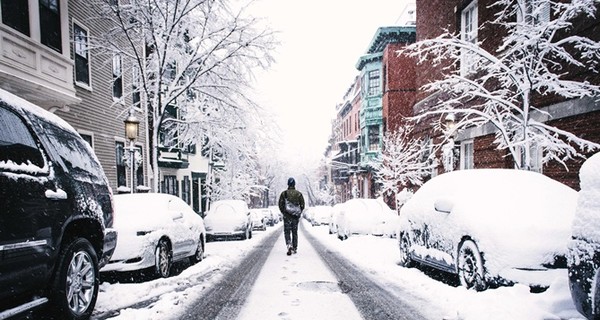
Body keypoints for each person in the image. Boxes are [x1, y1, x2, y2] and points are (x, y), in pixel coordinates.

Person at [278, 177, 305, 256]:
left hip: (287, 217)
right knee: (294, 232)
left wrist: (284, 212)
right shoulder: (298, 194)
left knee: (287, 232)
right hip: (295, 217)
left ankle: (289, 245)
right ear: (294, 184)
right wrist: (298, 213)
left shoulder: (284, 194)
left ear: (288, 184)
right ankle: (295, 247)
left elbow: (280, 204)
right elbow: (302, 205)